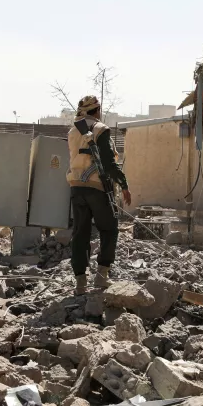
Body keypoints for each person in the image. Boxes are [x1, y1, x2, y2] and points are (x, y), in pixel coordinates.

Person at [66, 95, 131, 295]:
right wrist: (124, 185)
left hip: (76, 187)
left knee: (80, 234)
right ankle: (102, 277)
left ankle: (80, 283)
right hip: (97, 187)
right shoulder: (101, 129)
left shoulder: (72, 131)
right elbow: (109, 164)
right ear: (97, 110)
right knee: (109, 229)